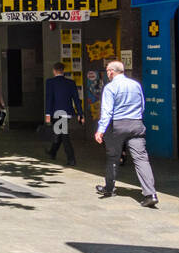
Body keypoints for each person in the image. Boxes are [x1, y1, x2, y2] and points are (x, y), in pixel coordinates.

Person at [95, 60, 158, 207]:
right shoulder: (136, 85)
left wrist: (101, 130)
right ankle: (150, 194)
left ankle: (109, 188)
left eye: (107, 71)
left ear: (111, 71)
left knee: (113, 157)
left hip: (117, 125)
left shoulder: (110, 87)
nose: (107, 74)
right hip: (136, 124)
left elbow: (107, 111)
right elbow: (142, 105)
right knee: (141, 159)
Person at [44, 62, 83, 167]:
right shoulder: (71, 83)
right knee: (60, 133)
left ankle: (71, 159)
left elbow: (49, 98)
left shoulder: (50, 82)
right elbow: (76, 99)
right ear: (63, 71)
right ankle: (52, 152)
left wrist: (47, 114)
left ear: (54, 71)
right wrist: (80, 113)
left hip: (56, 113)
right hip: (67, 113)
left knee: (64, 135)